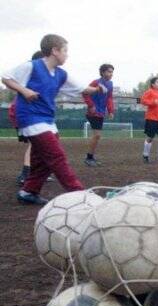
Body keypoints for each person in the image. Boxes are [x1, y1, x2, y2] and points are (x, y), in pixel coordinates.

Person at [1, 34, 106, 204]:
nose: (67, 54)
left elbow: (82, 88)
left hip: (47, 120)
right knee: (56, 156)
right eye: (65, 50)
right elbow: (6, 77)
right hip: (30, 118)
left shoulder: (61, 74)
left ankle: (28, 192)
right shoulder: (32, 67)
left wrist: (97, 90)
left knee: (43, 158)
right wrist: (24, 90)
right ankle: (80, 195)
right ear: (54, 51)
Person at [10, 50, 48, 185]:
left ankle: (34, 172)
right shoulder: (32, 73)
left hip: (27, 112)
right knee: (35, 143)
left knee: (39, 144)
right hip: (23, 112)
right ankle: (25, 174)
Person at [83, 63, 114, 167]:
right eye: (109, 71)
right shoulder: (95, 82)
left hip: (100, 113)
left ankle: (90, 157)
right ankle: (89, 158)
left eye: (112, 72)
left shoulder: (110, 84)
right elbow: (84, 93)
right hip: (92, 113)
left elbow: (109, 98)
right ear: (103, 72)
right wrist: (91, 106)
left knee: (97, 136)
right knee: (97, 135)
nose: (111, 74)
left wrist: (110, 111)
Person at [141, 77, 158, 164]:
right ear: (153, 84)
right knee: (150, 138)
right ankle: (145, 155)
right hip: (151, 119)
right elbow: (143, 101)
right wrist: (153, 102)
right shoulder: (149, 91)